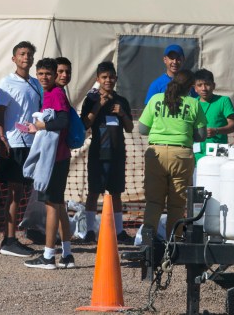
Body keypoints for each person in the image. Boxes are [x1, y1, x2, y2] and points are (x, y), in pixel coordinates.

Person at [138, 69, 207, 240]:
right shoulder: (194, 103)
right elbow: (201, 135)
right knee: (177, 204)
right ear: (191, 86)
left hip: (156, 154)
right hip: (182, 156)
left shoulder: (155, 100)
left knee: (154, 201)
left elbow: (142, 129)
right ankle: (174, 244)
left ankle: (148, 241)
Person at [23, 58, 76, 270]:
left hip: (55, 159)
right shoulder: (51, 94)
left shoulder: (55, 94)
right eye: (41, 74)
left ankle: (48, 256)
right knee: (59, 204)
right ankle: (68, 254)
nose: (44, 77)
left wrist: (41, 125)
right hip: (59, 157)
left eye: (48, 74)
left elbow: (63, 121)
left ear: (55, 75)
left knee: (51, 205)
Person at [0, 41, 42, 257]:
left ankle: (14, 236)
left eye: (29, 54)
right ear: (14, 58)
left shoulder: (36, 83)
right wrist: (2, 138)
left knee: (22, 192)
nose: (26, 58)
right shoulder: (7, 82)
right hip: (14, 142)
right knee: (13, 192)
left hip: (32, 142)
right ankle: (8, 239)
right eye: (22, 54)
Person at [80, 61, 134, 244]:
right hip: (98, 153)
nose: (108, 80)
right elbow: (85, 125)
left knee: (116, 193)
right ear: (98, 79)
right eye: (104, 77)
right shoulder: (91, 99)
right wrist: (97, 106)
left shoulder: (122, 101)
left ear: (116, 78)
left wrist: (122, 114)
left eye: (111, 77)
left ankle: (118, 231)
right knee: (94, 192)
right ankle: (89, 231)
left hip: (117, 153)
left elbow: (130, 127)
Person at [193, 69, 234, 162]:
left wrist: (216, 131)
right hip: (195, 158)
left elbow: (233, 125)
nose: (204, 88)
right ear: (195, 88)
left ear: (213, 86)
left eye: (207, 84)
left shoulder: (223, 101)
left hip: (218, 158)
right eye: (200, 85)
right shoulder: (192, 103)